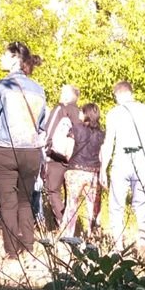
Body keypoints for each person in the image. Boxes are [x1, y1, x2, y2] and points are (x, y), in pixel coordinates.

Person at [0, 41, 46, 260]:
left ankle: (12, 252)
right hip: (32, 151)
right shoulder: (39, 89)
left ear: (15, 58)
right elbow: (42, 124)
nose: (1, 59)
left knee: (8, 202)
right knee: (26, 201)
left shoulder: (2, 86)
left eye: (4, 55)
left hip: (6, 149)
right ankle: (29, 246)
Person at [99, 81, 145, 253]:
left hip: (120, 162)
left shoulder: (113, 113)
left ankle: (118, 247)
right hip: (142, 162)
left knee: (117, 206)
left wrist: (103, 169)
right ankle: (142, 244)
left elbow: (108, 143)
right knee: (142, 205)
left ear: (117, 95)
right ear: (131, 93)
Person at [59, 103, 105, 242]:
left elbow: (68, 150)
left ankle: (68, 236)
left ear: (86, 114)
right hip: (93, 172)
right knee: (93, 206)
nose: (79, 113)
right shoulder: (101, 134)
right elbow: (102, 155)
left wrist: (70, 161)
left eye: (81, 111)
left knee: (72, 205)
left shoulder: (76, 129)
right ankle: (92, 237)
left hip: (75, 171)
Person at [44, 84, 80, 230]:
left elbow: (49, 131)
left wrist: (46, 150)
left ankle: (62, 224)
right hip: (76, 159)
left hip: (56, 158)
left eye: (62, 92)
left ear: (66, 96)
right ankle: (72, 226)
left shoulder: (60, 109)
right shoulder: (80, 113)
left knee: (53, 190)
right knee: (71, 195)